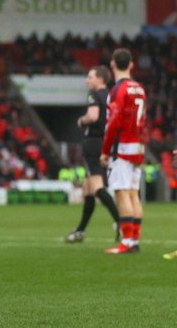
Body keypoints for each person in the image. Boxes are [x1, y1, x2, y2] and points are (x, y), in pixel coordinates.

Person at [65, 65, 120, 243]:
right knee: (88, 190)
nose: (87, 80)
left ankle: (122, 222)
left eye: (90, 77)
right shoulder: (111, 96)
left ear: (100, 79)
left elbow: (93, 116)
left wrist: (81, 121)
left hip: (93, 143)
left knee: (96, 187)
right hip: (105, 142)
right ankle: (80, 231)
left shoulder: (94, 95)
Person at [101, 48, 146, 254]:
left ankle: (126, 241)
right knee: (134, 193)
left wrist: (105, 150)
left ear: (112, 65)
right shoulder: (139, 88)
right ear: (131, 65)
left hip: (123, 146)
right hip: (138, 144)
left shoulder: (118, 90)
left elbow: (113, 122)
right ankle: (134, 239)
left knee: (122, 193)